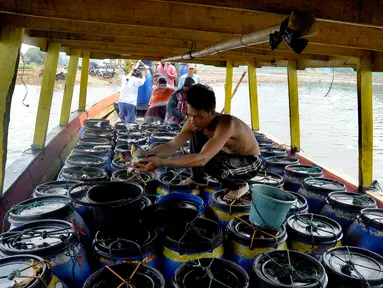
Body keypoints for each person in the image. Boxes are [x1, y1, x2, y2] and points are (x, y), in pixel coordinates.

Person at [133, 84, 261, 201]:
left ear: (212, 112)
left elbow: (202, 159)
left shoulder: (227, 124)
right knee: (197, 134)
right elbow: (171, 146)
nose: (193, 120)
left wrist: (161, 162)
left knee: (210, 162)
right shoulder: (193, 122)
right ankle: (197, 177)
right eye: (190, 115)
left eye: (199, 116)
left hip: (249, 161)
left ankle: (240, 186)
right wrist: (147, 155)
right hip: (228, 155)